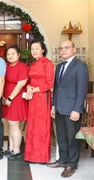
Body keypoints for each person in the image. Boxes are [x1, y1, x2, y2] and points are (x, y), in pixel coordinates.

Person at [47, 40, 88, 178]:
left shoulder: (80, 66)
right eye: (61, 48)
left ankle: (72, 164)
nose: (63, 50)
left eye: (66, 47)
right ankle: (63, 160)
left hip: (72, 110)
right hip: (59, 108)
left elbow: (82, 89)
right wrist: (54, 105)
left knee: (72, 139)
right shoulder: (59, 67)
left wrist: (77, 109)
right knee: (62, 137)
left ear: (74, 49)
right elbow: (57, 88)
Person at [24, 39, 54, 164]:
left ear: (42, 49)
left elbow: (49, 83)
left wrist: (35, 89)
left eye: (37, 48)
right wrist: (29, 87)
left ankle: (42, 157)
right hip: (33, 98)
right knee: (32, 126)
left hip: (43, 97)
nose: (34, 51)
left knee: (42, 126)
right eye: (32, 49)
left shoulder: (48, 63)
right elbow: (30, 80)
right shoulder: (32, 64)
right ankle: (31, 155)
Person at [2, 45, 28, 159]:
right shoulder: (6, 66)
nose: (10, 56)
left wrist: (10, 98)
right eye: (8, 54)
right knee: (9, 124)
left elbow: (21, 84)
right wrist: (4, 97)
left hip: (15, 99)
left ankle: (16, 150)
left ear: (18, 55)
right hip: (6, 98)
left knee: (14, 125)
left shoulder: (22, 66)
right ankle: (11, 148)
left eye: (13, 53)